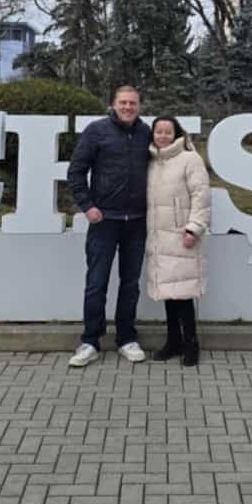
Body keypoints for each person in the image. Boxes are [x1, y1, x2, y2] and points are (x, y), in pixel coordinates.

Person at [66, 85, 151, 367]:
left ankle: (126, 339)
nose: (128, 107)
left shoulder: (146, 134)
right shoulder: (97, 131)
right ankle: (90, 341)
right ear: (113, 104)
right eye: (123, 102)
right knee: (96, 283)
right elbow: (76, 171)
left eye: (133, 103)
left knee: (130, 285)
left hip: (137, 222)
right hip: (104, 221)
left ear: (140, 106)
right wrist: (87, 205)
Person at [145, 115, 210, 367]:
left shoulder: (189, 159)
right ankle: (173, 342)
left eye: (167, 132)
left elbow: (201, 196)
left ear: (176, 133)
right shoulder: (152, 161)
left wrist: (194, 228)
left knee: (182, 295)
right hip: (158, 237)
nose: (162, 136)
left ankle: (191, 344)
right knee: (168, 294)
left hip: (182, 236)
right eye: (158, 131)